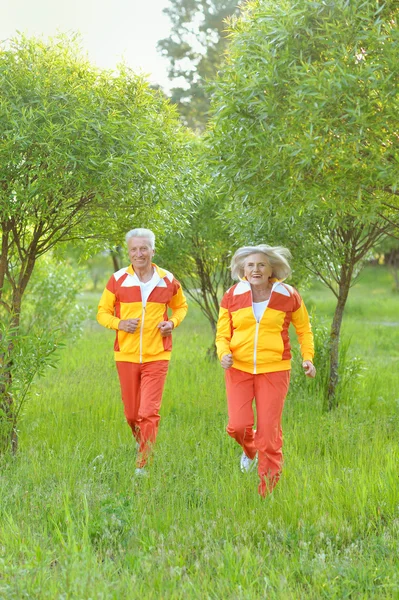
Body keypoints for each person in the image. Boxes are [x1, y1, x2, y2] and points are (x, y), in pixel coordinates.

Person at [216, 245, 316, 496]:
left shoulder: (288, 295)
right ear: (242, 270)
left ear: (272, 268)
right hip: (238, 368)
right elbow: (222, 334)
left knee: (270, 434)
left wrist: (308, 358)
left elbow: (304, 330)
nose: (256, 269)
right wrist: (223, 353)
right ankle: (250, 449)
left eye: (261, 264)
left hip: (275, 370)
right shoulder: (232, 294)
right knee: (237, 426)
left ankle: (266, 492)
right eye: (250, 265)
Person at [97, 228, 188, 475]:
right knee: (131, 414)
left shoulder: (168, 279)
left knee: (148, 412)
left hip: (158, 354)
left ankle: (143, 464)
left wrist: (172, 323)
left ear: (152, 251)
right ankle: (141, 440)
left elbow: (181, 307)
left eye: (144, 248)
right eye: (134, 249)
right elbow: (102, 313)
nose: (139, 253)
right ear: (129, 252)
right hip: (126, 355)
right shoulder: (117, 280)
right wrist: (119, 324)